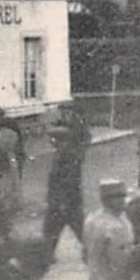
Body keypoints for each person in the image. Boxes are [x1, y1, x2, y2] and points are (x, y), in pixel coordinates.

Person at [43, 105, 92, 261]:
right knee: (68, 225)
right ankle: (88, 252)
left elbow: (67, 178)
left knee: (59, 225)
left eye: (57, 141)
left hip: (65, 197)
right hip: (65, 196)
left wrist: (60, 198)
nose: (54, 143)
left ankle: (88, 252)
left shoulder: (68, 154)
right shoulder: (67, 152)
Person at [82, 179, 135, 280]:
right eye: (117, 197)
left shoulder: (92, 218)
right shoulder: (114, 227)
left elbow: (85, 252)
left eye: (123, 196)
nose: (123, 200)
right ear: (106, 200)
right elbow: (122, 261)